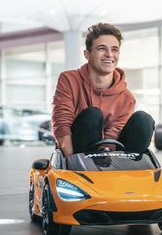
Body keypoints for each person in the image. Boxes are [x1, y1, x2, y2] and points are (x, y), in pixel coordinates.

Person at [52, 22, 155, 157]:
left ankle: (130, 174)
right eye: (102, 48)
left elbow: (113, 136)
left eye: (114, 49)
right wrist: (71, 166)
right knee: (92, 115)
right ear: (87, 54)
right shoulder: (69, 79)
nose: (109, 55)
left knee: (144, 119)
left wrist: (106, 165)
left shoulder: (127, 98)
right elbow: (62, 125)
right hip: (77, 156)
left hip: (114, 159)